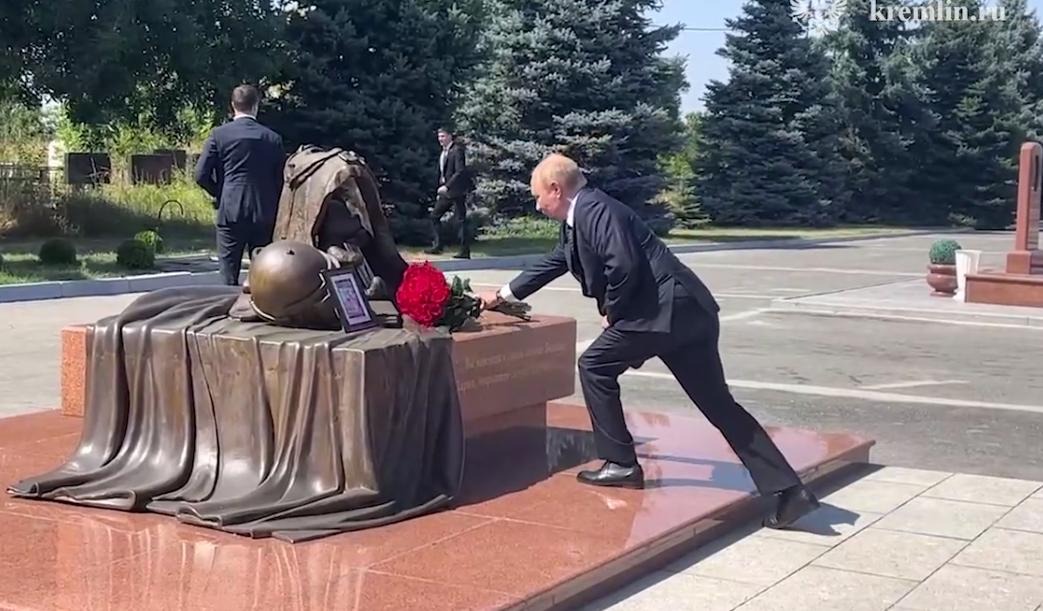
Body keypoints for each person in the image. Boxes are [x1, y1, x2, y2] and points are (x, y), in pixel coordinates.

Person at [478, 153, 820, 530]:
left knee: (594, 365)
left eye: (537, 196)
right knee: (719, 405)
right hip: (688, 311)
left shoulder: (594, 210)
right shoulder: (584, 217)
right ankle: (790, 492)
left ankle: (621, 463)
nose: (537, 204)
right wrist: (503, 295)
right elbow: (557, 260)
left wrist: (615, 311)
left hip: (662, 312)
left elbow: (623, 266)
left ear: (556, 190)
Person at [195, 84, 286, 285]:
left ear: (233, 105)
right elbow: (281, 179)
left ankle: (228, 310)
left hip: (230, 211)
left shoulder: (219, 135)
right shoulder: (272, 138)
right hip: (264, 211)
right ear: (256, 105)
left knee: (228, 274)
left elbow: (200, 174)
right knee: (263, 274)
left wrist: (221, 193)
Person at [426, 127, 474, 259]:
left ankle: (465, 251)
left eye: (443, 136)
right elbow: (442, 173)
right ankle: (438, 246)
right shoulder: (444, 152)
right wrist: (441, 187)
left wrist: (447, 186)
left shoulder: (457, 150)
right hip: (446, 191)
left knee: (460, 220)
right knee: (435, 216)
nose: (440, 139)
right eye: (439, 136)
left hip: (456, 191)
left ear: (450, 137)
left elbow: (460, 171)